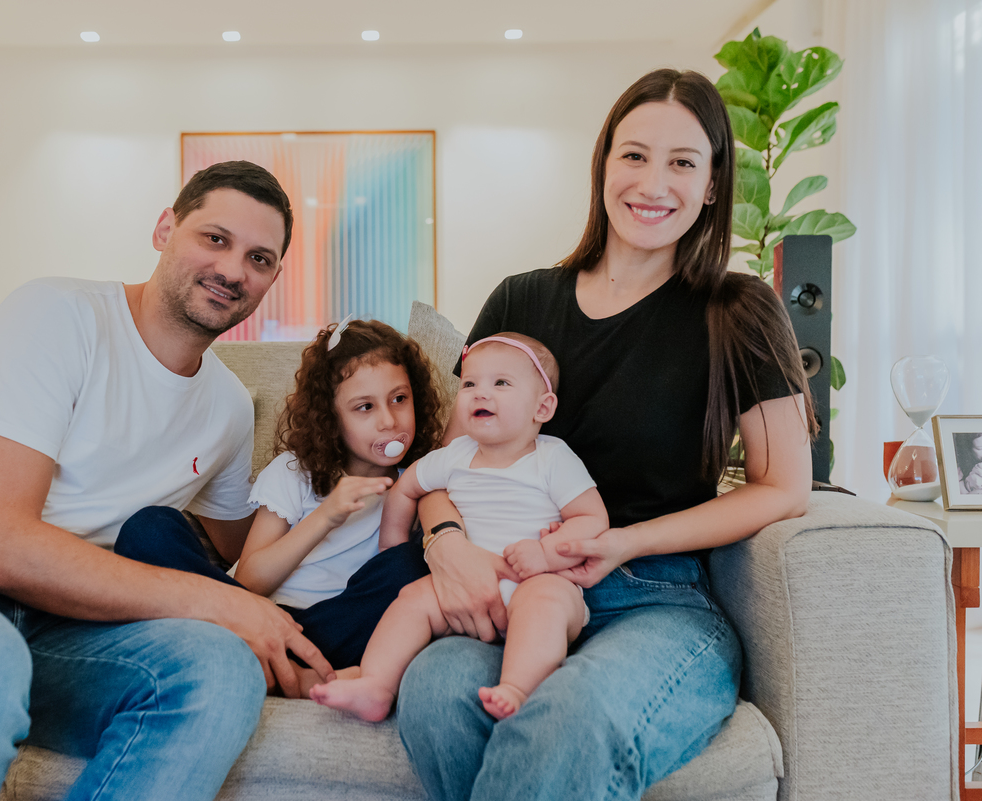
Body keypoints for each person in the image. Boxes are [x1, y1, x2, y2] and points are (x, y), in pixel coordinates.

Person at [0, 161, 335, 801]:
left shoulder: (229, 410)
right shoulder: (58, 316)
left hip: (48, 624)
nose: (234, 270)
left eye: (260, 259)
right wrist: (221, 603)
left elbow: (240, 552)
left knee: (218, 668)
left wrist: (347, 478)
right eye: (215, 239)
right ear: (165, 229)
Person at [397, 69, 817, 801]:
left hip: (656, 598)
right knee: (435, 694)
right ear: (603, 166)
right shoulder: (520, 299)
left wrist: (624, 541)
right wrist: (446, 543)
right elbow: (445, 467)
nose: (653, 182)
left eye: (683, 162)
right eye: (634, 155)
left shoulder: (737, 310)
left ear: (713, 185)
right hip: (508, 584)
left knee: (573, 714)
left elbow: (785, 487)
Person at [113, 318, 443, 695]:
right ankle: (263, 663)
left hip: (326, 632)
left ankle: (276, 671)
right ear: (332, 419)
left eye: (399, 399)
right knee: (150, 528)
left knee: (411, 568)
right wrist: (325, 516)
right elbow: (249, 581)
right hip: (250, 618)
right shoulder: (294, 473)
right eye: (364, 407)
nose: (388, 420)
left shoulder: (419, 482)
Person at [310, 333, 607, 722]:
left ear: (542, 406)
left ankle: (517, 689)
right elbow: (406, 489)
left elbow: (593, 519)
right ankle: (376, 685)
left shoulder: (552, 458)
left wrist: (545, 554)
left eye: (500, 383)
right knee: (411, 602)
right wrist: (394, 550)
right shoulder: (454, 456)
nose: (480, 394)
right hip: (462, 585)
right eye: (470, 384)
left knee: (545, 604)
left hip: (537, 579)